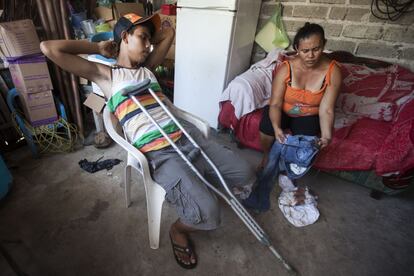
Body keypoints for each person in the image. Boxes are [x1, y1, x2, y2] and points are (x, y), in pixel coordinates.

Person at [40, 13, 255, 269]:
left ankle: (198, 181)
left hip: (187, 135)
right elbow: (48, 48)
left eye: (149, 40)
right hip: (161, 152)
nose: (148, 45)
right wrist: (97, 47)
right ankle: (178, 230)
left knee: (244, 172)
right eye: (142, 37)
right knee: (209, 214)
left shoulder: (147, 68)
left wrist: (151, 32)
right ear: (124, 36)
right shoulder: (106, 75)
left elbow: (169, 33)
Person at [258, 22, 342, 170]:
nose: (311, 56)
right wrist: (277, 128)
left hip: (309, 115)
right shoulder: (286, 68)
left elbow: (327, 109)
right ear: (297, 49)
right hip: (283, 110)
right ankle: (266, 156)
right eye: (305, 51)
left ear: (324, 44)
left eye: (316, 49)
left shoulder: (333, 71)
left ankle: (288, 167)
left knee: (306, 142)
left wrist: (327, 136)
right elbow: (275, 103)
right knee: (267, 124)